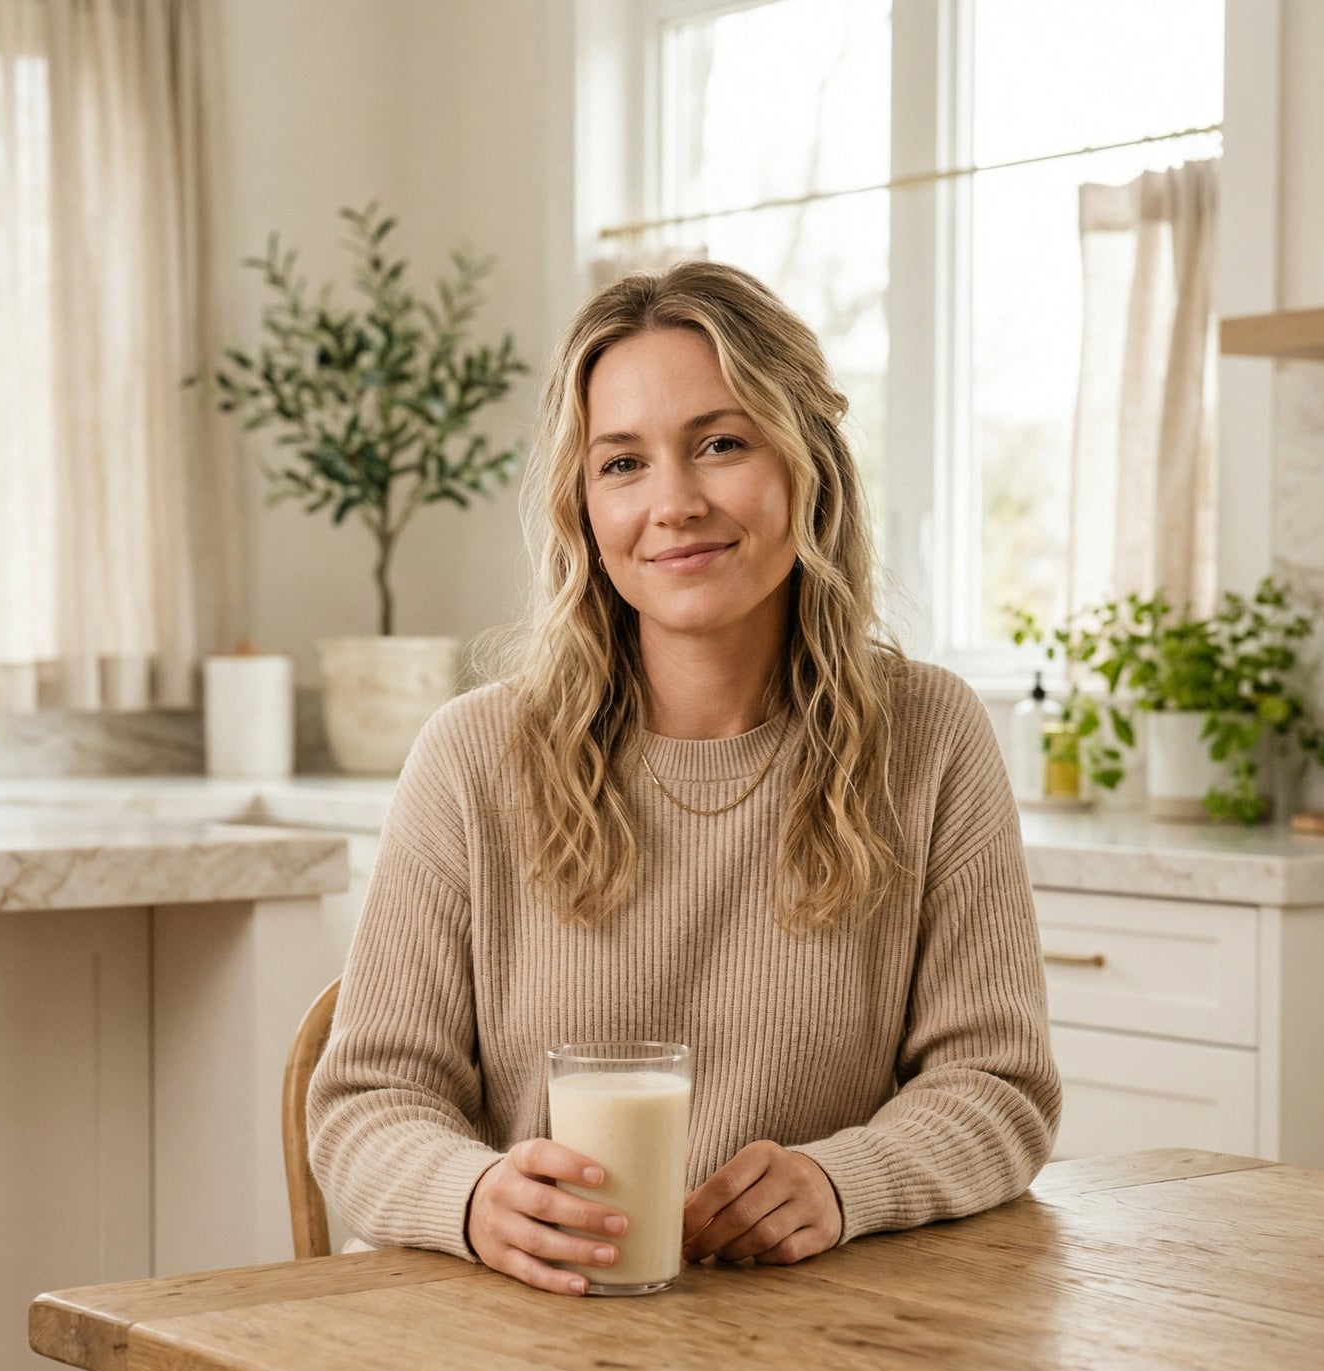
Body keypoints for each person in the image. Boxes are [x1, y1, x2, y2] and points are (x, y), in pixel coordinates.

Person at [308, 260, 1061, 1296]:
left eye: (721, 444)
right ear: (583, 508)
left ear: (810, 467)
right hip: (517, 1342)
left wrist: (845, 1184)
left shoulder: (928, 737)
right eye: (622, 464)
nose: (674, 503)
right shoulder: (473, 757)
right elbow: (366, 1103)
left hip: (816, 1350)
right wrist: (476, 1202)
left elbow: (999, 1088)